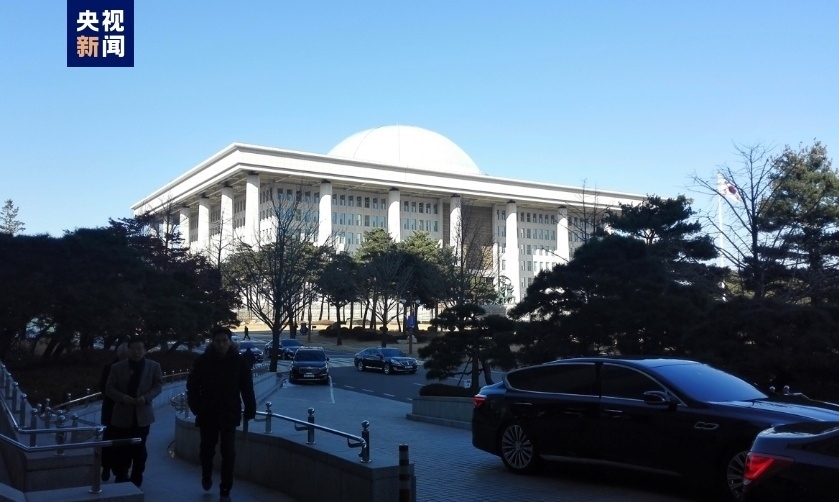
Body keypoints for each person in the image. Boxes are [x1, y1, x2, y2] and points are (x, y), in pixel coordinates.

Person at [187, 326, 256, 500]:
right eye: (218, 341)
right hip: (207, 412)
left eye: (225, 341)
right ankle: (206, 474)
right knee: (206, 450)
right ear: (213, 342)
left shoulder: (239, 362)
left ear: (230, 341)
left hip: (229, 412)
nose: (221, 344)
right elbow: (192, 387)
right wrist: (196, 407)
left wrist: (250, 408)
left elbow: (247, 388)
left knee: (228, 452)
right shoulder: (202, 361)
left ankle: (225, 488)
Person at [105, 336, 163, 487]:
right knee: (121, 448)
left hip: (143, 416)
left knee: (139, 449)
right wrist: (122, 398)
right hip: (121, 415)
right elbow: (109, 388)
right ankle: (121, 475)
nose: (136, 352)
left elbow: (158, 386)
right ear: (128, 350)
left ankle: (137, 477)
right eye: (133, 349)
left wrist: (146, 398)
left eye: (140, 348)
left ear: (145, 350)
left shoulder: (154, 366)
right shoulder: (117, 367)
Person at [98, 342, 129, 482]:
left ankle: (112, 469)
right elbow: (104, 388)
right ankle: (113, 469)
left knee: (112, 439)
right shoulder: (112, 368)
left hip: (113, 409)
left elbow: (102, 387)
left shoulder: (109, 367)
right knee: (115, 439)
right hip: (114, 409)